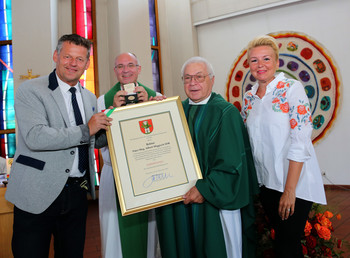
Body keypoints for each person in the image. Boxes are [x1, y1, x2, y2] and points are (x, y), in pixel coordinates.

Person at [5, 34, 112, 258]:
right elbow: (36, 137)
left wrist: (125, 120)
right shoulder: (31, 90)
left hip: (76, 193)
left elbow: (91, 140)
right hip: (36, 192)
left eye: (80, 59)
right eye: (67, 57)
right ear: (56, 56)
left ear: (87, 63)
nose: (73, 63)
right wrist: (87, 129)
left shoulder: (90, 98)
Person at [155, 56, 259, 258]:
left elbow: (232, 164)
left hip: (214, 202)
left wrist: (204, 189)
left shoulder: (226, 113)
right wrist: (154, 112)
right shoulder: (176, 110)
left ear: (212, 80)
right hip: (181, 199)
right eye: (187, 78)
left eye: (199, 77)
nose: (192, 83)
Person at [241, 35, 327, 257]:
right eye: (254, 60)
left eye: (266, 59)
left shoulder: (291, 88)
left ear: (276, 62)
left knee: (287, 246)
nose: (260, 65)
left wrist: (290, 191)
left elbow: (300, 140)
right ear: (248, 64)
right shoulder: (249, 97)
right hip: (267, 184)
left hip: (294, 183)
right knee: (283, 244)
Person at [97, 52, 164, 258]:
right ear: (115, 71)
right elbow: (97, 139)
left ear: (139, 68)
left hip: (148, 173)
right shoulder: (102, 100)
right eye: (120, 66)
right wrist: (112, 111)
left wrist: (152, 106)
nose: (125, 70)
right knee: (115, 233)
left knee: (148, 233)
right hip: (115, 174)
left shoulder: (156, 96)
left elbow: (164, 136)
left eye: (130, 65)